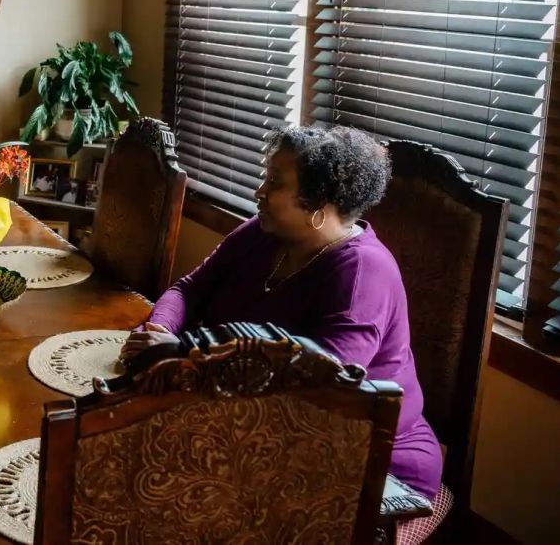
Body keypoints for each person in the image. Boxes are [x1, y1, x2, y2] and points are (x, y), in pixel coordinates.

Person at [120, 125, 441, 499]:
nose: (260, 193)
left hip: (363, 457)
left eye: (275, 183)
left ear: (320, 201)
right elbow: (190, 288)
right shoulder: (262, 232)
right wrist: (159, 330)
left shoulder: (362, 275)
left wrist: (180, 356)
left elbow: (314, 388)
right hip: (256, 421)